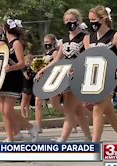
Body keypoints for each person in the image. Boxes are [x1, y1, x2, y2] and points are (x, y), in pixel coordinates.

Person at [37, 9, 91, 142]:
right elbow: (57, 59)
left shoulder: (84, 37)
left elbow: (89, 55)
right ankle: (88, 136)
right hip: (66, 76)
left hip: (78, 75)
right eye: (66, 21)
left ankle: (63, 138)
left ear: (77, 21)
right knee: (77, 109)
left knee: (68, 107)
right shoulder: (64, 40)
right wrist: (43, 69)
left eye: (71, 20)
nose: (69, 23)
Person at [83, 5, 117, 143]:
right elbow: (86, 59)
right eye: (90, 20)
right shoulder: (87, 38)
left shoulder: (115, 36)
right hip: (93, 77)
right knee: (108, 111)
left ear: (103, 19)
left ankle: (94, 144)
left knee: (97, 108)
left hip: (110, 77)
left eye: (94, 19)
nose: (92, 23)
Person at [0, 19, 38, 142]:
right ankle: (10, 137)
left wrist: (11, 68)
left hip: (14, 78)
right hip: (4, 78)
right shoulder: (5, 45)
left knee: (8, 109)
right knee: (3, 110)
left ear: (5, 30)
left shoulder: (16, 43)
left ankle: (31, 127)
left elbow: (21, 63)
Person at [35, 34, 64, 133]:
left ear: (53, 42)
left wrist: (44, 69)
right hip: (45, 80)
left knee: (56, 105)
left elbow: (56, 64)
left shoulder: (55, 53)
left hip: (52, 80)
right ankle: (38, 126)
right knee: (38, 101)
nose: (46, 44)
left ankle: (73, 118)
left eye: (48, 42)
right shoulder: (46, 54)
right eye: (45, 42)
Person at [21, 54, 35, 119]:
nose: (28, 63)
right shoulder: (24, 68)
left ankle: (27, 115)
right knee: (24, 101)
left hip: (30, 85)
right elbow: (26, 76)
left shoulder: (32, 68)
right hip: (25, 86)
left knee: (28, 102)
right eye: (27, 62)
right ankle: (22, 114)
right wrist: (30, 75)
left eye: (30, 62)